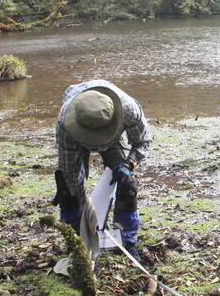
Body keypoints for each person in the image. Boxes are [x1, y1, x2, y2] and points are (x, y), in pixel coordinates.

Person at [52, 80, 151, 255]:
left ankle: (126, 242)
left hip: (113, 139)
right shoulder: (65, 125)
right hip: (77, 138)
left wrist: (129, 164)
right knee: (69, 192)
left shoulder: (129, 110)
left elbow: (142, 141)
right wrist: (86, 204)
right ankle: (77, 241)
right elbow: (71, 172)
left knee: (127, 186)